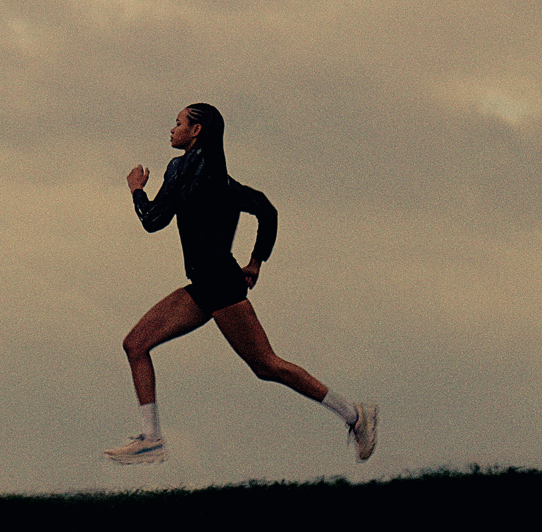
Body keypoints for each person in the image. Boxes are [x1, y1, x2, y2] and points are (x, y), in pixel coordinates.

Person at [105, 103, 377, 466]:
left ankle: (356, 416)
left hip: (219, 285)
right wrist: (255, 262)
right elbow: (267, 210)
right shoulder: (220, 177)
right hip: (206, 284)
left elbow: (153, 220)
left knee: (267, 365)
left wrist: (137, 190)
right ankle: (152, 439)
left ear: (197, 130)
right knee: (135, 344)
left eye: (179, 123)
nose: (172, 129)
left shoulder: (182, 168)